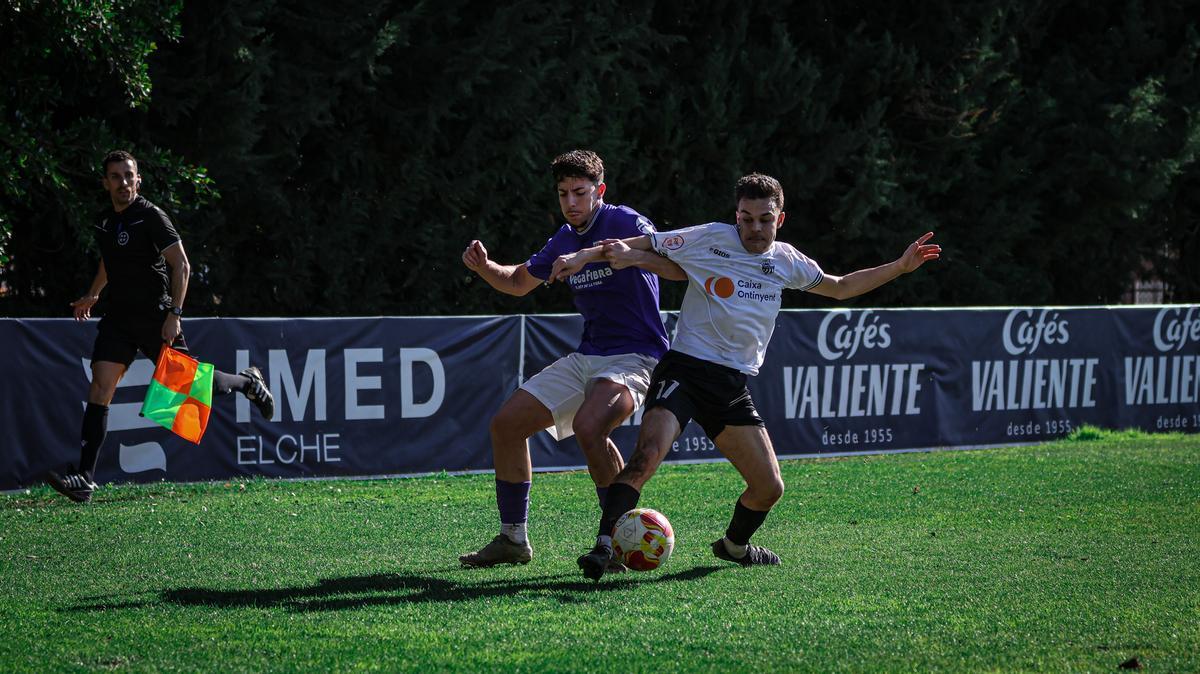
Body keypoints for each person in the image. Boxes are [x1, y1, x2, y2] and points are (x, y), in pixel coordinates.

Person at [551, 173, 941, 580]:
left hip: (730, 386)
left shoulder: (788, 261)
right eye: (746, 218)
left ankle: (734, 546)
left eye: (764, 219)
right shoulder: (711, 238)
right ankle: (603, 547)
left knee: (769, 488)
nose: (754, 228)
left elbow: (840, 287)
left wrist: (900, 266)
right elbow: (645, 242)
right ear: (735, 216)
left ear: (780, 219)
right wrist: (584, 256)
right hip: (684, 369)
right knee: (645, 458)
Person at [458, 150, 686, 569]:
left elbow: (671, 261)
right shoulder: (563, 238)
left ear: (600, 191)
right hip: (589, 356)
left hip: (638, 356)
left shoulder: (626, 221)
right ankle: (513, 539)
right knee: (506, 426)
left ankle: (614, 540)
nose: (571, 203)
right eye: (563, 194)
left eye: (580, 192)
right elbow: (518, 282)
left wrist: (593, 255)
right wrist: (485, 266)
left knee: (589, 425)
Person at [45, 150, 276, 503]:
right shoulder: (105, 222)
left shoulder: (151, 216)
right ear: (105, 182)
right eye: (116, 176)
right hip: (119, 319)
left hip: (156, 318)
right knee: (100, 386)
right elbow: (110, 261)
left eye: (129, 175)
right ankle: (85, 478)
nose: (123, 182)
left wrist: (175, 314)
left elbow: (181, 266)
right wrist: (93, 294)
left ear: (138, 179)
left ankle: (247, 382)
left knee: (189, 387)